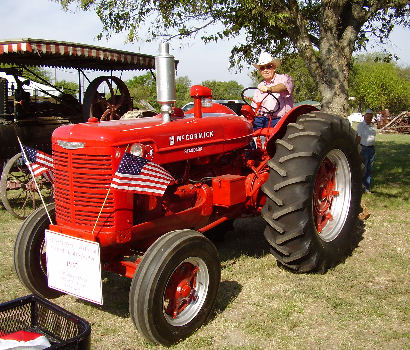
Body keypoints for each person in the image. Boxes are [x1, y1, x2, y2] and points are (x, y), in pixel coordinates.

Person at [252, 52, 294, 130]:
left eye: (268, 67)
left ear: (274, 67)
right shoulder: (260, 86)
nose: (265, 70)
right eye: (262, 68)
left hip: (281, 119)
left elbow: (284, 86)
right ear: (260, 71)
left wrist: (269, 89)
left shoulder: (285, 78)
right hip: (262, 119)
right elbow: (254, 108)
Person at [357, 109, 376, 193]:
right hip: (364, 148)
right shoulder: (361, 125)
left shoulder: (372, 126)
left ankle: (367, 188)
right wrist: (358, 148)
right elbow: (358, 137)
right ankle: (360, 187)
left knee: (369, 169)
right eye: (367, 117)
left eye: (370, 117)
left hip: (371, 149)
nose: (368, 119)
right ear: (364, 116)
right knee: (363, 169)